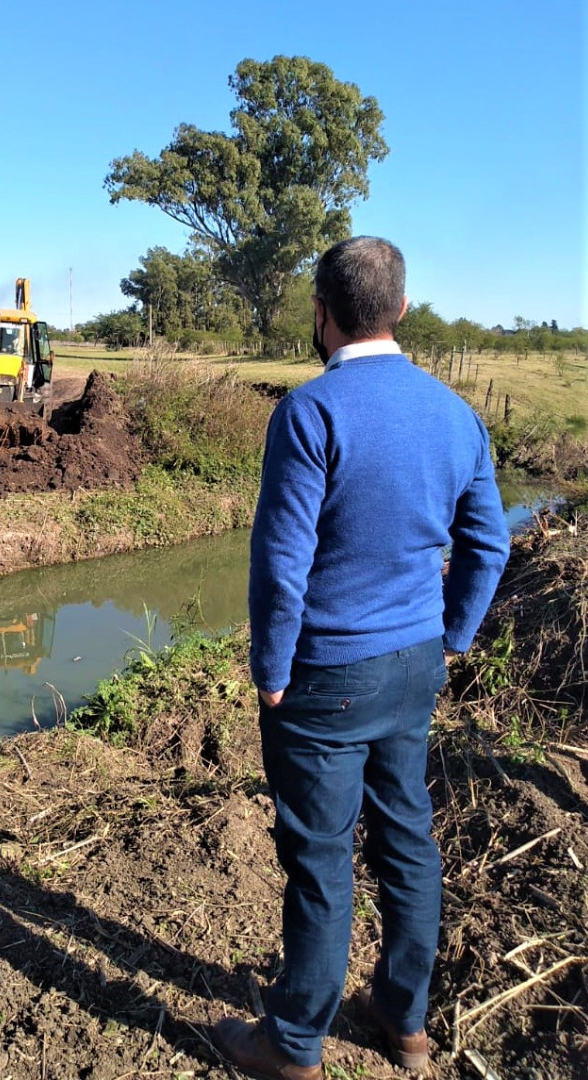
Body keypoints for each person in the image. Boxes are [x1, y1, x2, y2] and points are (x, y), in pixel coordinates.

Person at [214, 237, 509, 1079]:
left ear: (320, 312)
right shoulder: (455, 414)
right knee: (406, 839)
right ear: (402, 309)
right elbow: (487, 545)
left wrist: (272, 669)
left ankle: (292, 1043)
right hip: (413, 665)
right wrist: (450, 638)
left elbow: (282, 563)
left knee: (319, 858)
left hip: (325, 677)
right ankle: (403, 1020)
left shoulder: (310, 412)